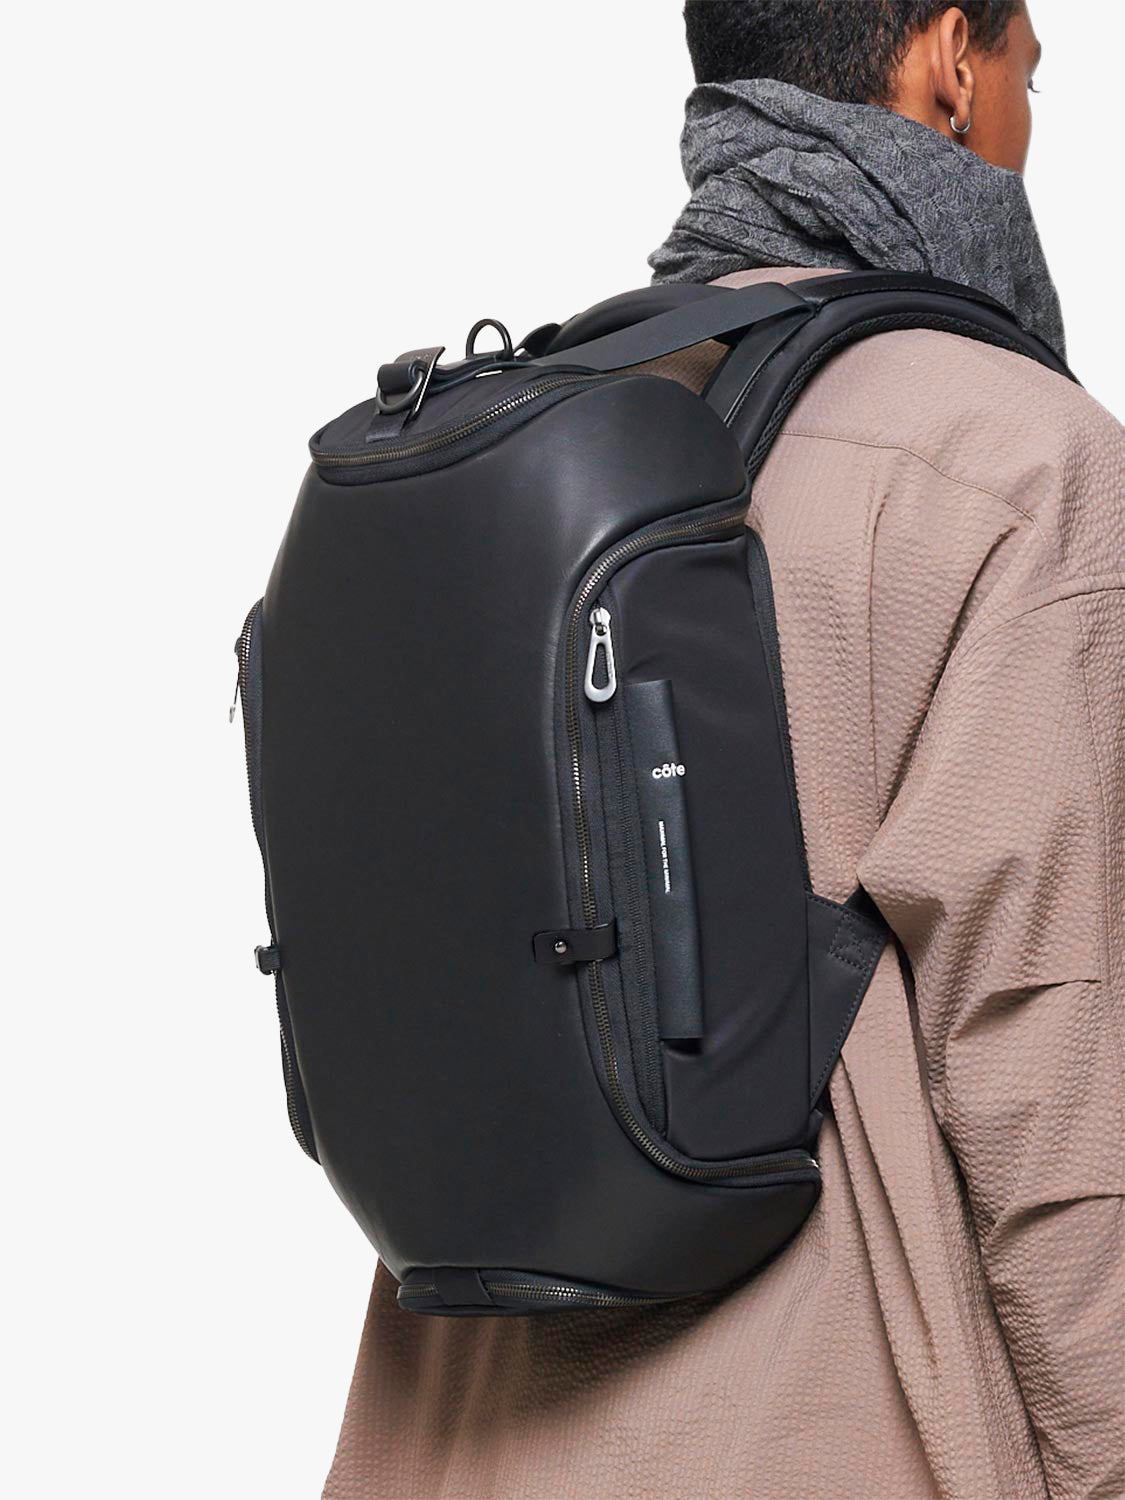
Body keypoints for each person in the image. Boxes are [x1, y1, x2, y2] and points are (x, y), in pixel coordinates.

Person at [323, 5, 1124, 1496]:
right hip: (827, 1426)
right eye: (1029, 67)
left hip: (449, 1432)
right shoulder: (1020, 457)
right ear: (951, 61)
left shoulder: (527, 421)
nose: (1031, 111)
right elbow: (1060, 1070)